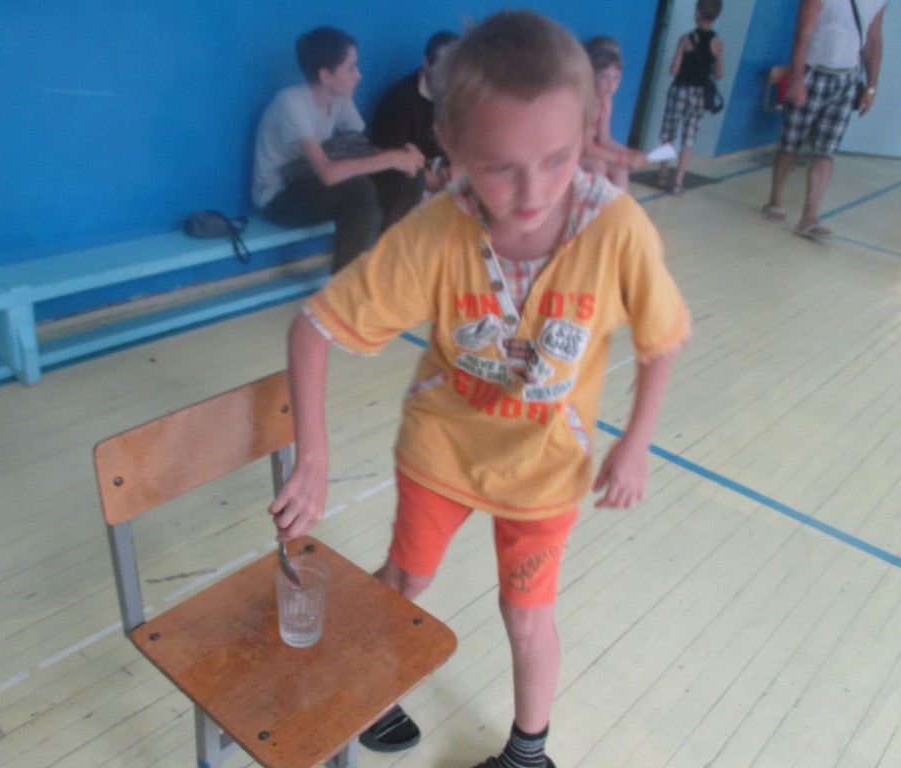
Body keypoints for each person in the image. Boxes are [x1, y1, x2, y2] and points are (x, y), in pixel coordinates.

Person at [269, 10, 690, 768]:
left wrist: (637, 440)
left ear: (586, 133)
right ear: (453, 147)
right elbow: (313, 327)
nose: (533, 191)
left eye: (558, 159)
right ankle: (367, 681)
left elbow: (662, 338)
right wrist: (314, 457)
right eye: (499, 166)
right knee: (408, 577)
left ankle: (528, 753)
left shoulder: (617, 229)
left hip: (545, 465)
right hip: (444, 447)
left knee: (527, 614)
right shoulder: (437, 232)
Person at [252, 26, 426, 273]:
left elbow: (364, 149)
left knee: (409, 176)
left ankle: (389, 267)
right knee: (358, 190)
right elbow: (327, 173)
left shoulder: (340, 99)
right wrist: (391, 158)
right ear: (326, 76)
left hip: (311, 181)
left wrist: (404, 157)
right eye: (351, 68)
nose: (359, 75)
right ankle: (345, 286)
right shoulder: (290, 102)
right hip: (281, 197)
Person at [763, 0, 887, 240]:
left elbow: (874, 40)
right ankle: (775, 198)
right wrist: (797, 81)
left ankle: (809, 217)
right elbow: (802, 33)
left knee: (826, 151)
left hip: (847, 79)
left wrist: (871, 87)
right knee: (790, 144)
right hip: (812, 72)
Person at [370, 30, 460, 194]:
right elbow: (392, 162)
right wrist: (443, 188)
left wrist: (457, 170)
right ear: (426, 64)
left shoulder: (462, 95)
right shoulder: (399, 101)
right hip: (412, 179)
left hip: (446, 170)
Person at [657, 0, 724, 196]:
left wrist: (681, 50)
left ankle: (662, 173)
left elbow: (673, 70)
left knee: (669, 133)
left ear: (697, 13)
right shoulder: (717, 43)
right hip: (698, 94)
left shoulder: (685, 38)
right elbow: (719, 73)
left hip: (679, 90)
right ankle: (678, 181)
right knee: (689, 137)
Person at [579, 36, 649, 191]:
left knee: (621, 169)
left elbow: (605, 140)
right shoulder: (584, 101)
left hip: (584, 151)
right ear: (591, 75)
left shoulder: (606, 101)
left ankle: (620, 206)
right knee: (597, 165)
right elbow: (587, 148)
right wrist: (623, 158)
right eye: (603, 77)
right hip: (571, 153)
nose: (611, 85)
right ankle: (594, 206)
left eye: (616, 78)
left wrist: (631, 153)